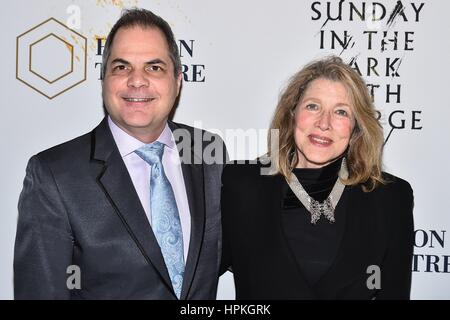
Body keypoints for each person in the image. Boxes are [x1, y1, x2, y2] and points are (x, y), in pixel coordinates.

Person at [14, 8, 226, 299]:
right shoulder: (54, 176)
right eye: (121, 67)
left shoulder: (207, 152)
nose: (137, 81)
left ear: (177, 81)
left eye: (154, 67)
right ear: (104, 81)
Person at [221, 56, 414, 299]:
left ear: (356, 128)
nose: (324, 123)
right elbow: (193, 274)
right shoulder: (241, 184)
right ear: (292, 114)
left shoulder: (390, 198)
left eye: (341, 112)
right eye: (313, 106)